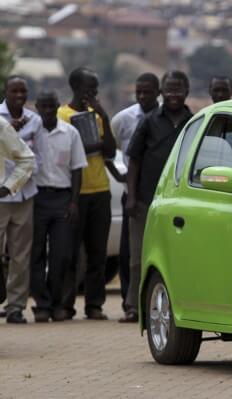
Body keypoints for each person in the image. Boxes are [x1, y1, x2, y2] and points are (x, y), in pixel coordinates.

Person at [124, 71, 194, 322]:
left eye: (178, 89)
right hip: (145, 201)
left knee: (178, 258)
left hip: (180, 204)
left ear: (186, 91)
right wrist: (131, 196)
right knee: (138, 257)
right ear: (162, 93)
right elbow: (133, 161)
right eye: (169, 90)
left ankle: (178, 306)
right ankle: (134, 306)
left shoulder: (193, 123)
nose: (173, 94)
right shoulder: (149, 121)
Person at [59, 67, 116, 320]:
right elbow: (70, 150)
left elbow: (111, 151)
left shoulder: (97, 115)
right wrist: (94, 146)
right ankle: (66, 305)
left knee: (97, 253)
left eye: (96, 89)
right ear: (76, 88)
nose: (93, 94)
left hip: (100, 190)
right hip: (75, 193)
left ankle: (94, 305)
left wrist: (103, 114)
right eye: (89, 89)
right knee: (70, 253)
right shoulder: (62, 115)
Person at [30, 91, 87, 322]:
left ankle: (57, 304)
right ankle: (41, 305)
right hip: (37, 198)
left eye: (51, 107)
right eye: (42, 107)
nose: (47, 111)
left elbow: (77, 169)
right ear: (37, 107)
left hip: (63, 198)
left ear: (57, 107)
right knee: (35, 254)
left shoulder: (70, 133)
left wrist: (74, 201)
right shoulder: (31, 133)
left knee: (61, 255)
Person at [110, 73, 160, 318]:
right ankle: (131, 304)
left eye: (147, 92)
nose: (142, 96)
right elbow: (116, 150)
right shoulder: (124, 118)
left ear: (157, 92)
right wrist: (126, 186)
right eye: (138, 92)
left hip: (161, 196)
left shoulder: (167, 120)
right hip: (135, 195)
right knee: (132, 253)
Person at [0, 76, 41, 324]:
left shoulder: (32, 120)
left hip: (23, 195)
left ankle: (15, 307)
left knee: (20, 255)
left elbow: (32, 159)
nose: (19, 95)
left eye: (23, 91)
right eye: (14, 90)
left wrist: (8, 186)